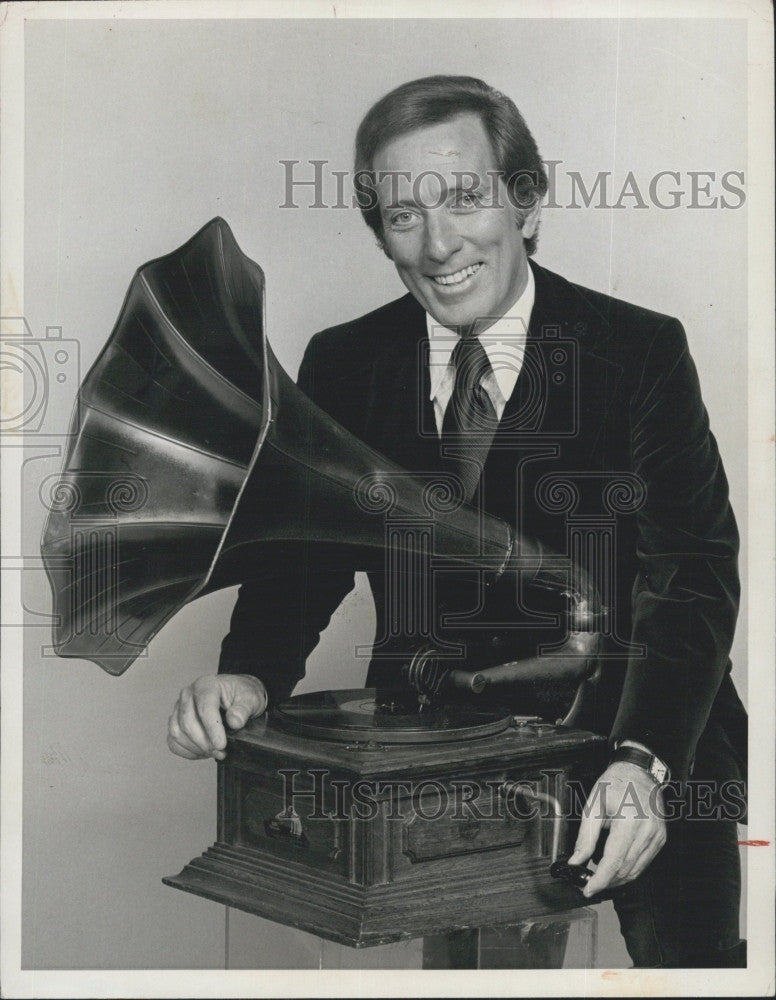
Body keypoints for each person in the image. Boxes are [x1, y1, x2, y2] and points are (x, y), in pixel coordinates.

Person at [166, 76, 747, 967]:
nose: (438, 246)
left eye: (466, 198)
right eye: (403, 216)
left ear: (527, 198)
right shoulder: (348, 360)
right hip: (440, 760)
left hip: (644, 741)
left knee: (689, 973)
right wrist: (247, 674)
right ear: (381, 234)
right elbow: (301, 563)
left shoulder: (639, 350)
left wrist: (644, 761)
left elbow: (694, 574)